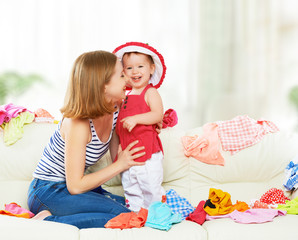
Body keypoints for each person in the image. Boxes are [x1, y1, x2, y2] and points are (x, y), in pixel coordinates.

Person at [27, 50, 149, 229]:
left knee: (138, 208)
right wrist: (120, 164)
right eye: (122, 75)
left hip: (79, 190)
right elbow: (75, 186)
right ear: (104, 85)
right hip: (48, 191)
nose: (127, 80)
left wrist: (150, 125)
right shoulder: (78, 124)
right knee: (126, 217)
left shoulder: (115, 108)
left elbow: (122, 148)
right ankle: (45, 221)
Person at [113, 42, 167, 212]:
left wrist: (136, 119)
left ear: (151, 69)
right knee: (131, 188)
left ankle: (157, 214)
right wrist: (119, 148)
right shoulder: (124, 97)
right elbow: (119, 127)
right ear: (123, 72)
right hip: (129, 155)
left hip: (149, 154)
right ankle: (137, 215)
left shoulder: (150, 92)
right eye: (129, 68)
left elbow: (158, 114)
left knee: (150, 186)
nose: (135, 71)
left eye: (140, 66)